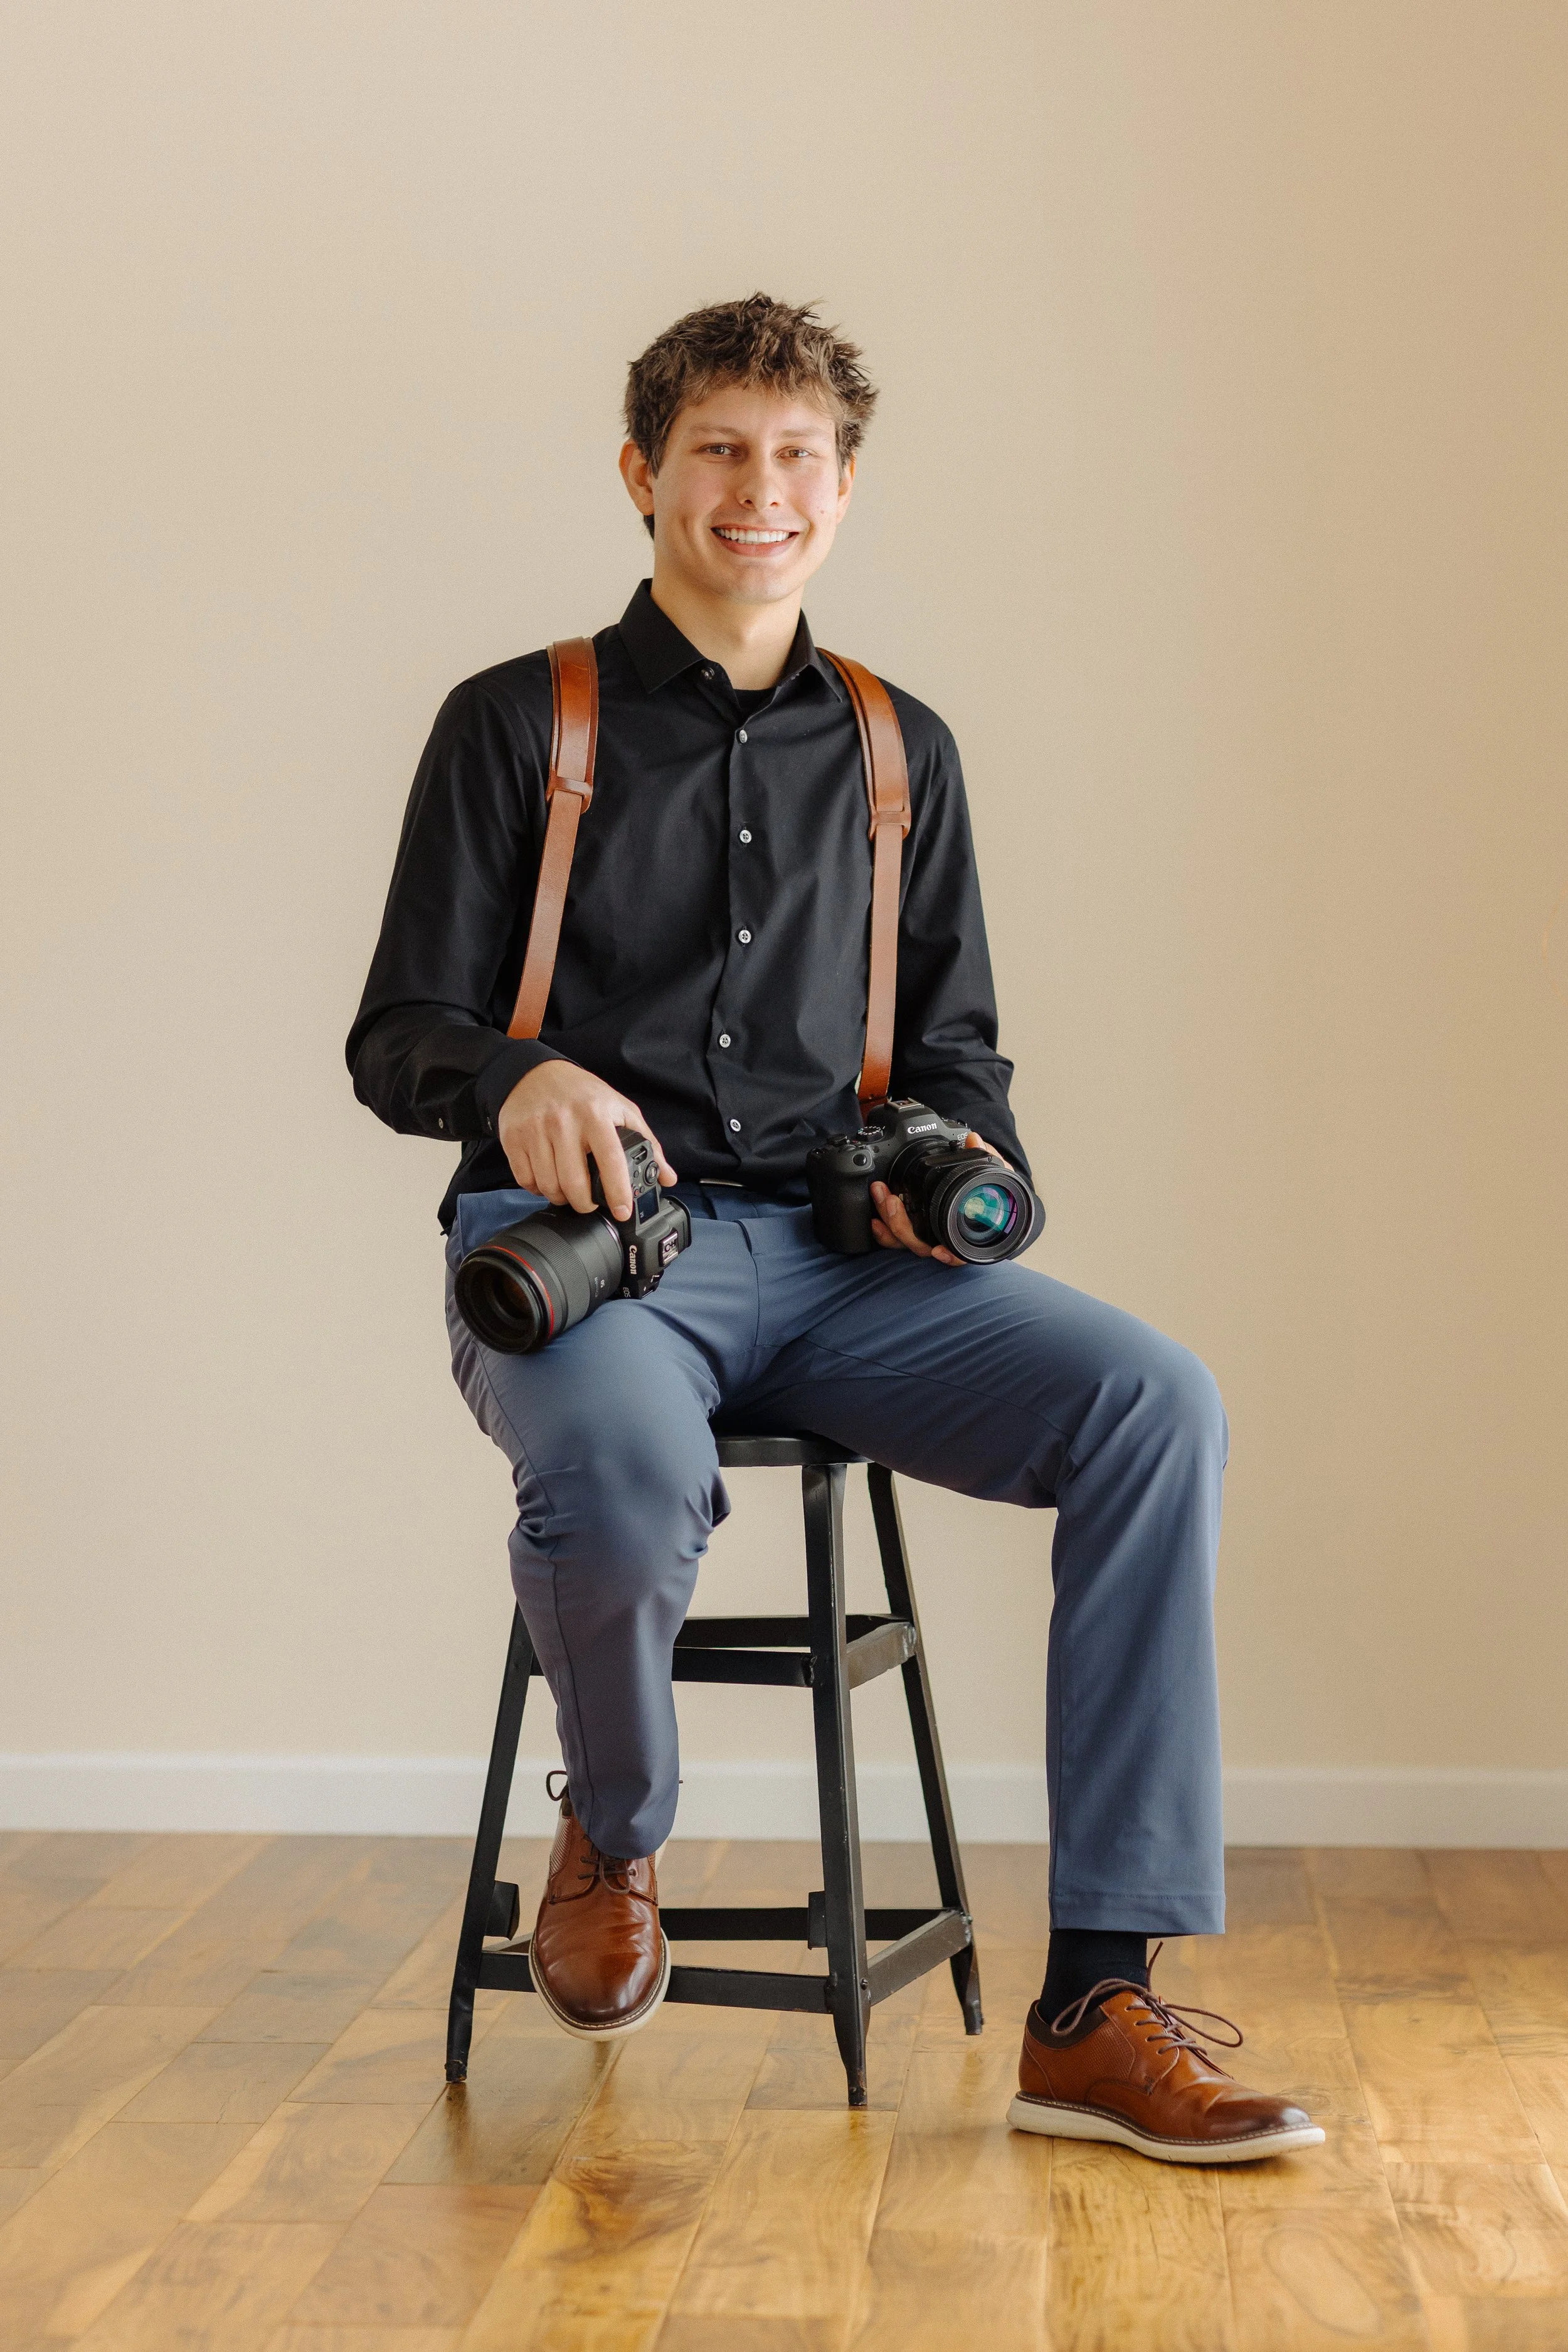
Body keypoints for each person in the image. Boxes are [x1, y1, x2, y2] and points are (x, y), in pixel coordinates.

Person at [347, 294, 1323, 2164]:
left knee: (1155, 1404)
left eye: (797, 455)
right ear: (643, 473)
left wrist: (966, 1179)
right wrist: (514, 1079)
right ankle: (615, 1827)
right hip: (590, 1260)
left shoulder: (897, 751)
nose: (758, 489)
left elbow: (962, 1056)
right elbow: (398, 1036)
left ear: (845, 489)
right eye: (719, 448)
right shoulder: (517, 723)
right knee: (627, 1478)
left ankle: (1097, 2000)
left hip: (841, 1265)